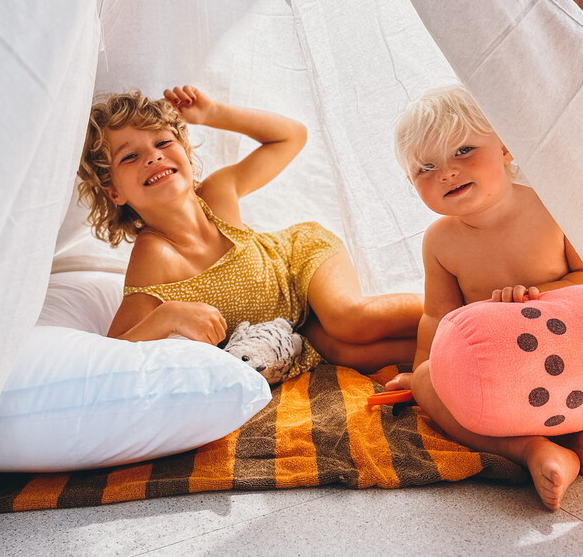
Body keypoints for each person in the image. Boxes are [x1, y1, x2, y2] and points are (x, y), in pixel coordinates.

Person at [77, 85, 422, 375]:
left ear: (184, 151)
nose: (152, 157)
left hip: (299, 263)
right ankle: (450, 343)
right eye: (130, 157)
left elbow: (291, 137)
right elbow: (113, 350)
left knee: (348, 320)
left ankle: (458, 308)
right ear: (114, 192)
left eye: (163, 143)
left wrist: (214, 114)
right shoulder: (155, 255)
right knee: (345, 353)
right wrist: (168, 316)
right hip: (291, 326)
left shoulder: (218, 193)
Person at [384, 84, 583, 510]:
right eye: (426, 167)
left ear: (506, 147)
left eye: (464, 150)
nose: (447, 172)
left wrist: (540, 296)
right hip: (503, 381)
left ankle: (582, 429)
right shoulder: (440, 241)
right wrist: (420, 371)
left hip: (570, 361)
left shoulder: (550, 208)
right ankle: (533, 448)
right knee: (429, 383)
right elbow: (438, 315)